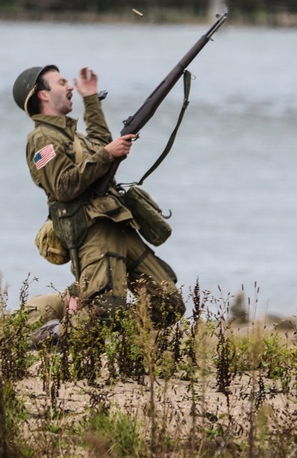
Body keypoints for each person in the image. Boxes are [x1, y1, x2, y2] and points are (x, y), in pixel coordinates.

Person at [12, 64, 184, 340]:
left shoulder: (74, 137)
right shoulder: (41, 140)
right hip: (92, 231)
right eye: (61, 82)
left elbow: (102, 145)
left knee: (168, 304)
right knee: (106, 310)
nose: (70, 87)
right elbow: (62, 186)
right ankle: (49, 334)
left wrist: (91, 99)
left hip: (119, 224)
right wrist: (106, 154)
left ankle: (77, 300)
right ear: (42, 95)